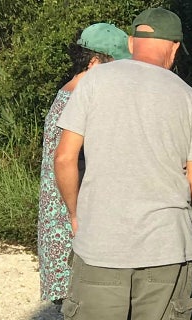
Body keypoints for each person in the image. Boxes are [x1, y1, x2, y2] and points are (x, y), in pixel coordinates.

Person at [54, 7, 192, 320]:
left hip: (102, 243)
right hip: (166, 249)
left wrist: (75, 213)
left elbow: (65, 157)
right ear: (175, 46)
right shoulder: (189, 96)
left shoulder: (94, 81)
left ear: (130, 42)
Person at [37, 22, 131, 304]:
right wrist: (77, 215)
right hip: (71, 221)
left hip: (63, 220)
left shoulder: (68, 92)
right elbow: (67, 161)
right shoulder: (79, 99)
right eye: (115, 65)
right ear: (93, 62)